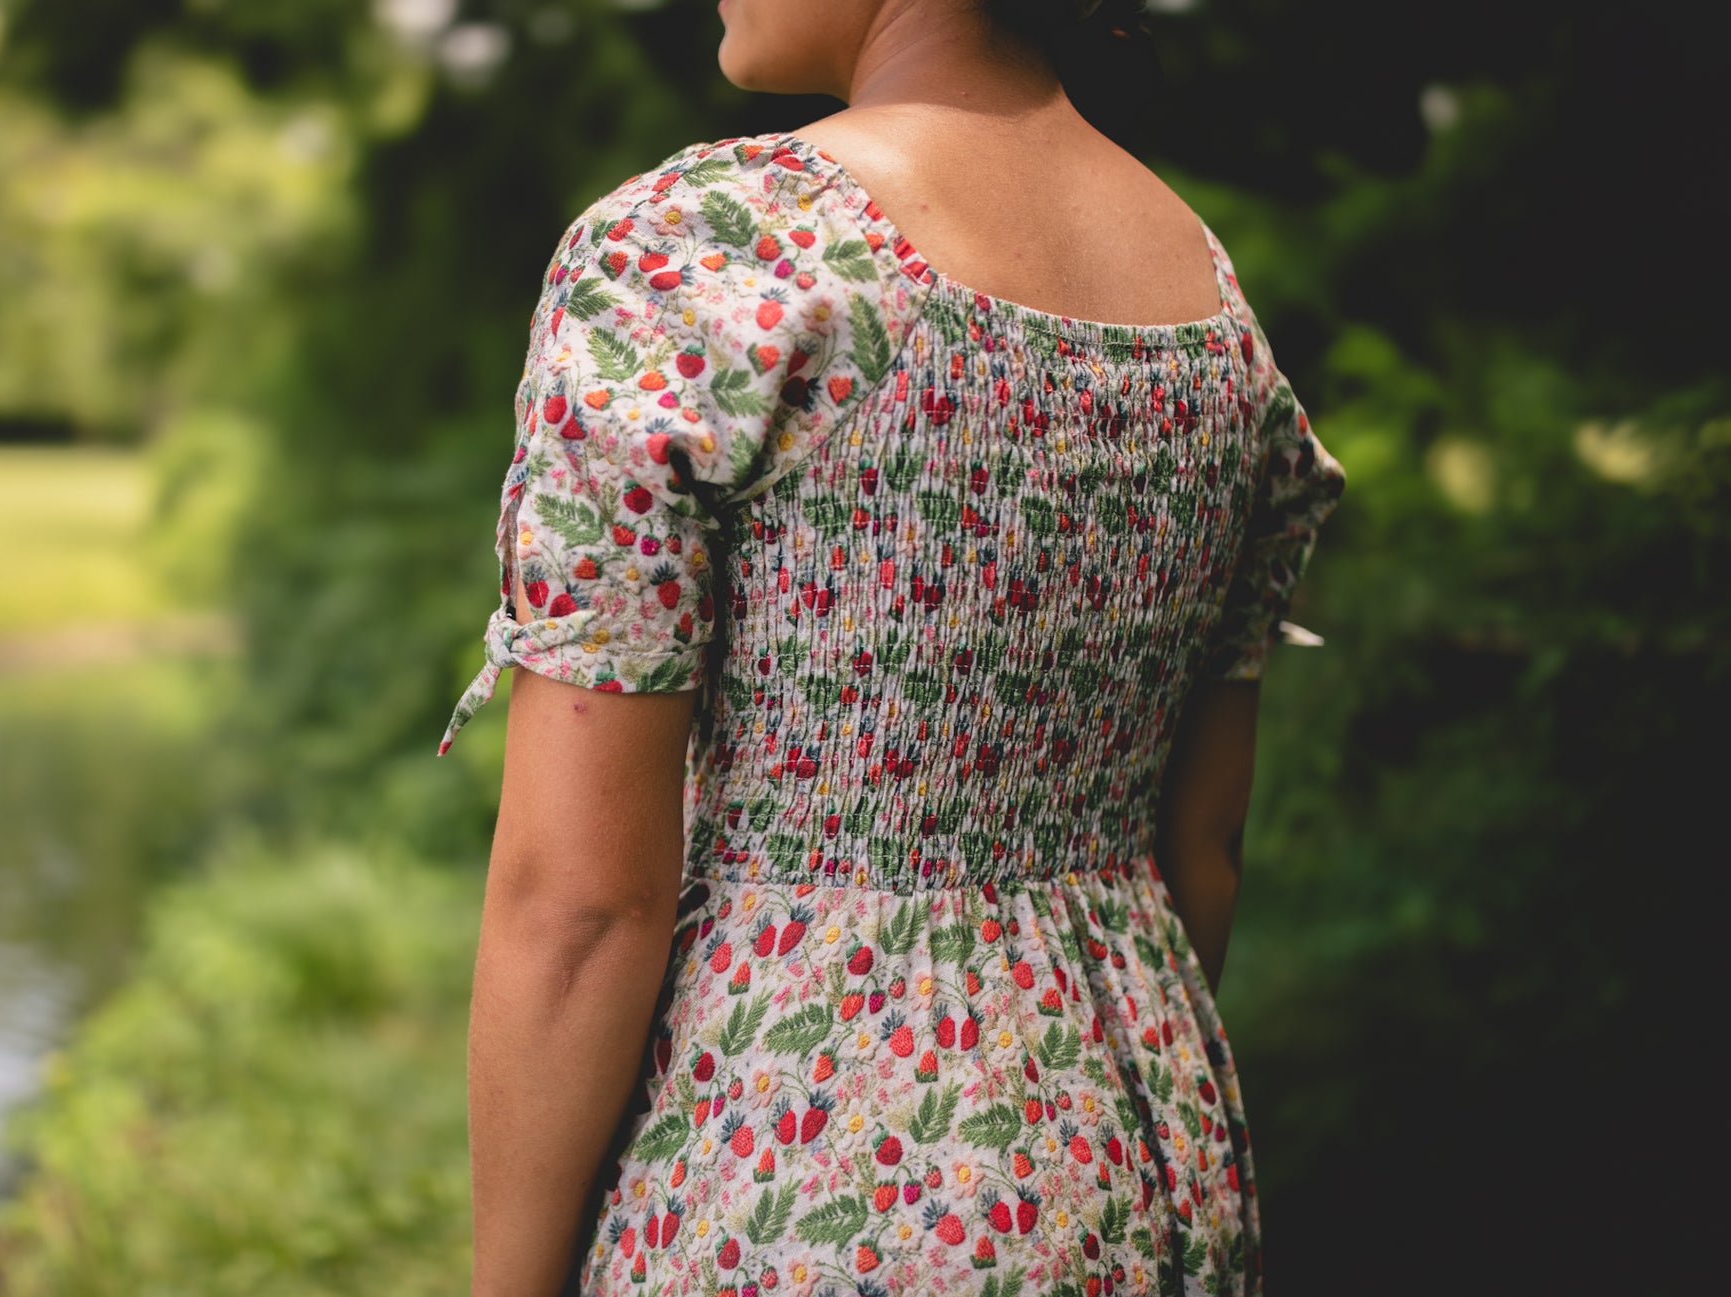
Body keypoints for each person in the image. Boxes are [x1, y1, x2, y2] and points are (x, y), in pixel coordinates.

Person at [434, 1, 1345, 1293]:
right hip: (1135, 1166)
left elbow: (580, 906)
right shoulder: (1203, 293)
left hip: (795, 1180)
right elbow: (1201, 849)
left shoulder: (711, 254)